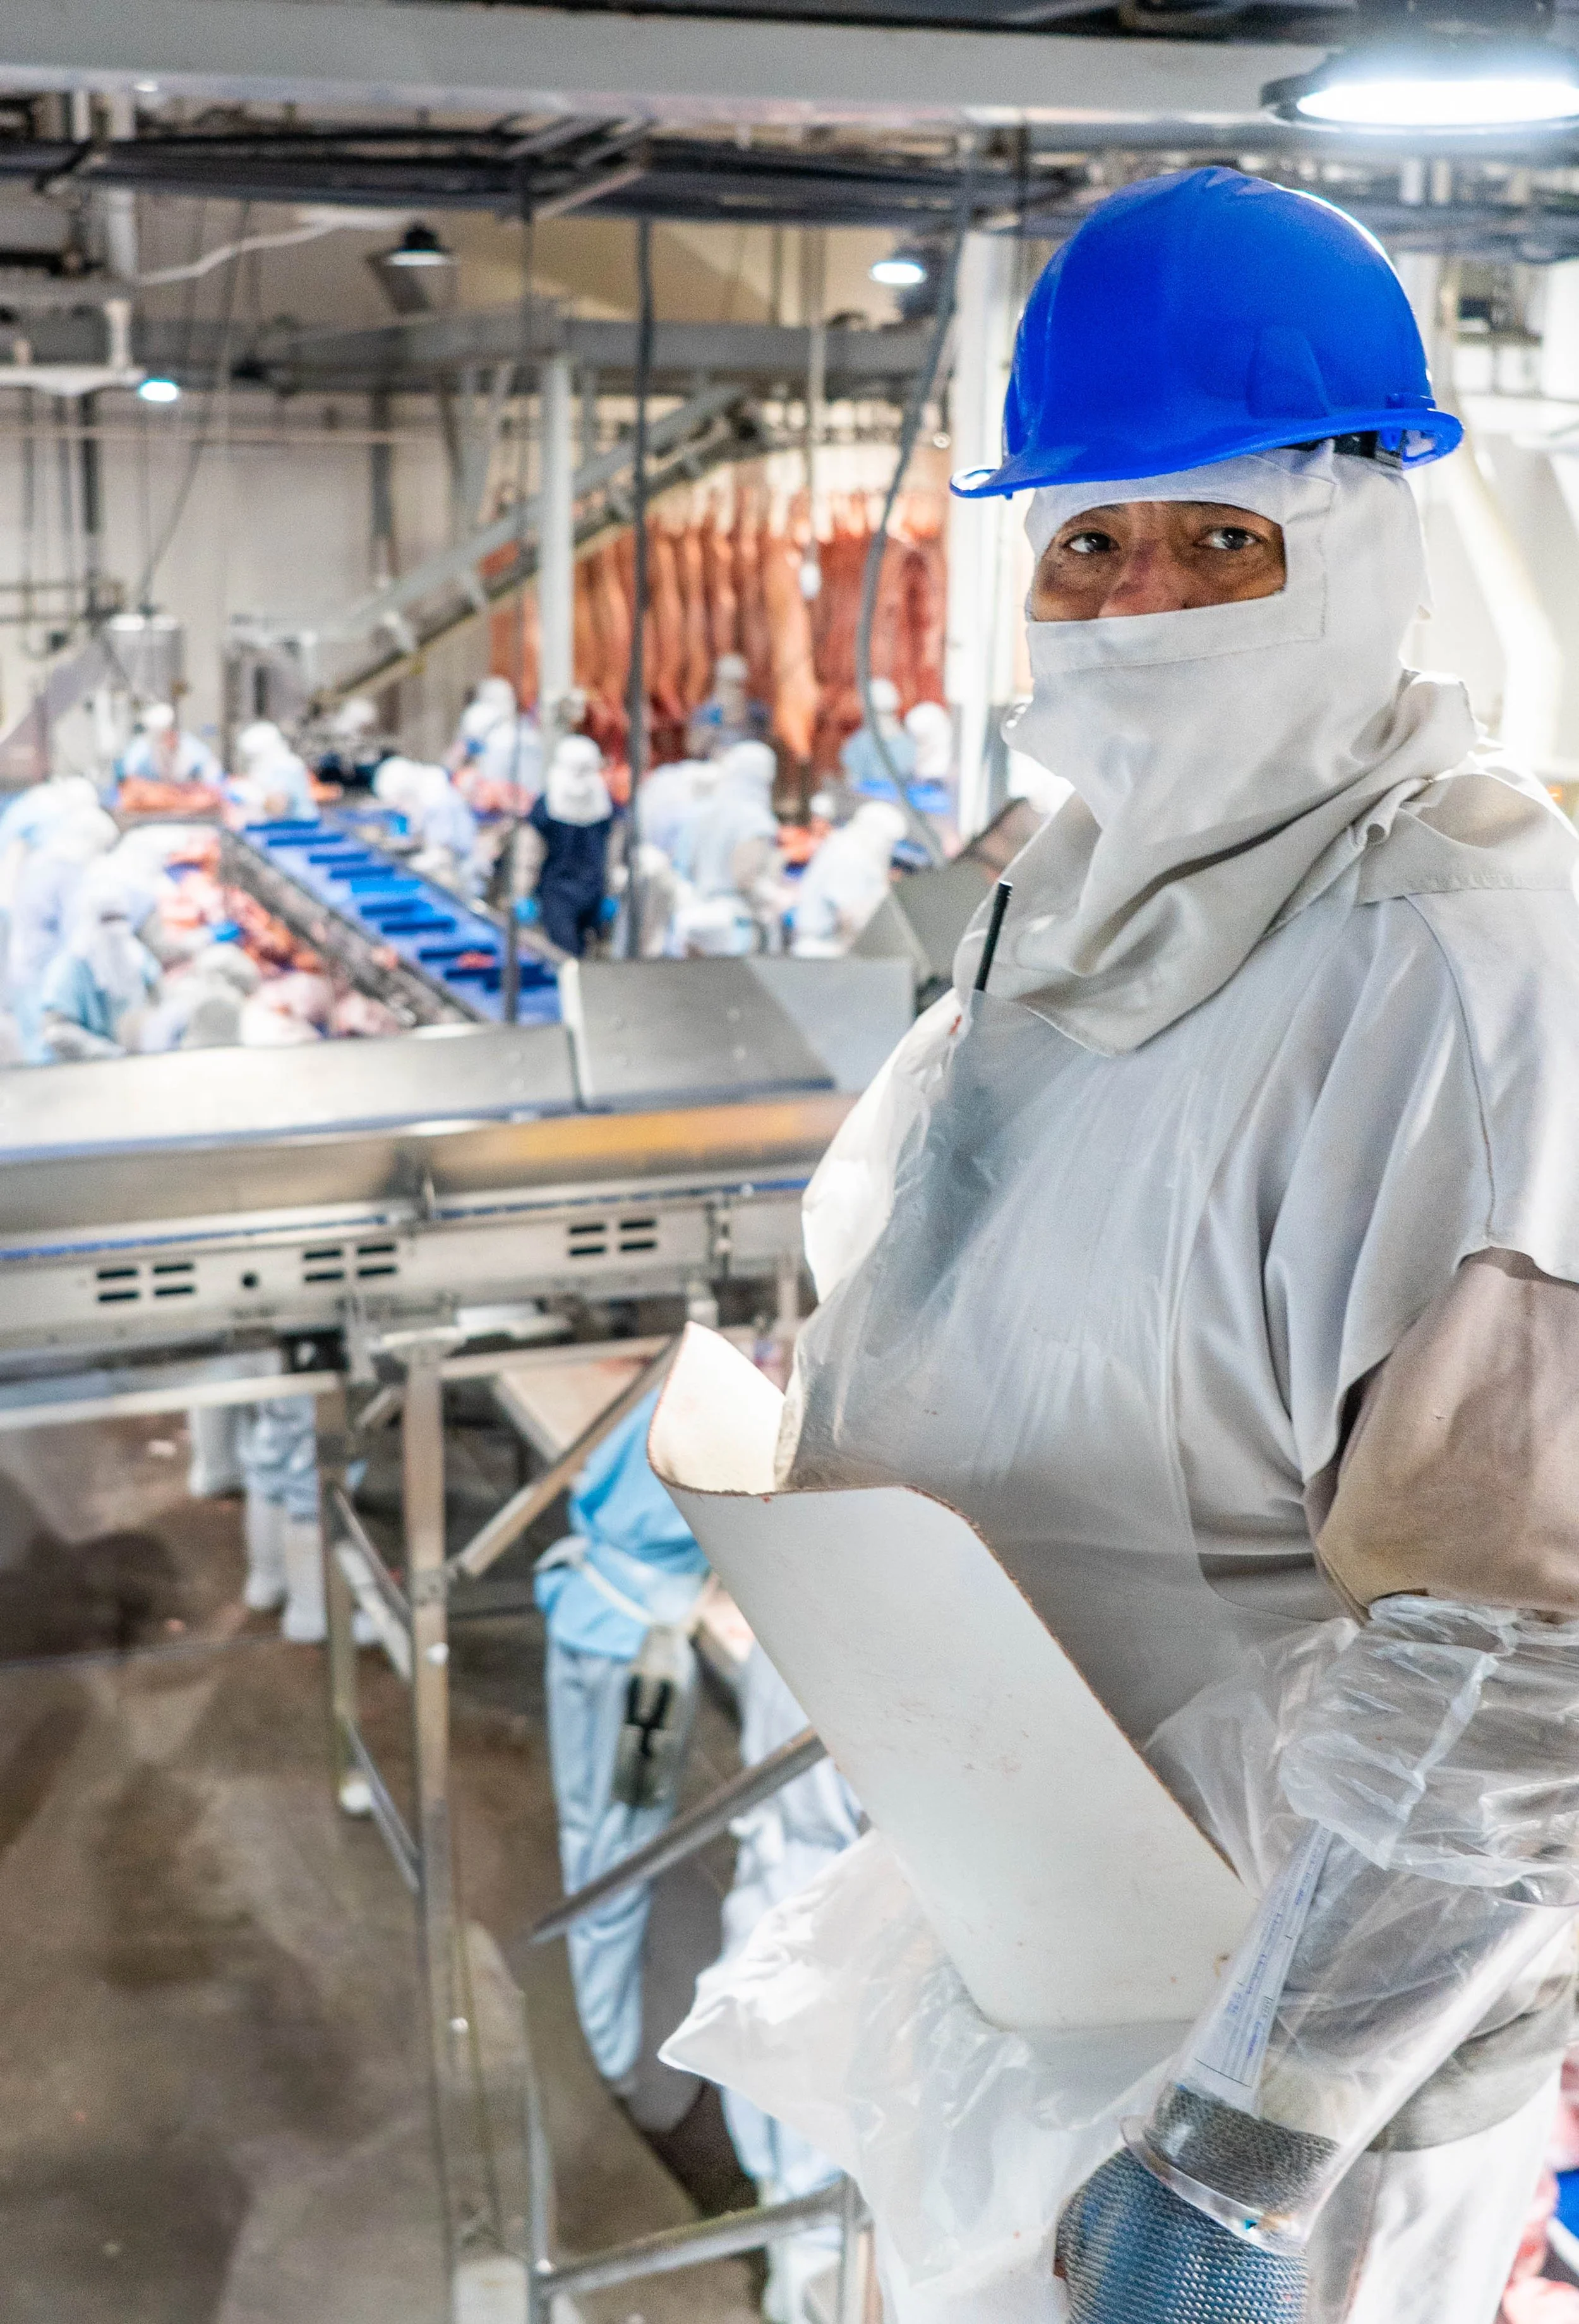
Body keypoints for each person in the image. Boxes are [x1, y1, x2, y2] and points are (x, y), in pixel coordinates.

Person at [777, 167, 1579, 2324]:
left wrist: (1239, 2150)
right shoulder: (1070, 882)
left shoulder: (1470, 964)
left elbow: (1524, 1639)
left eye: (1227, 541)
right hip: (1026, 1916)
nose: (1146, 610)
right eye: (1095, 544)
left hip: (1285, 2061)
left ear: (1368, 541)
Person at [534, 1386, 711, 2095]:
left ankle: (599, 2026)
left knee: (585, 1827)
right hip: (641, 1657)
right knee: (624, 1846)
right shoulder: (728, 1422)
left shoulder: (662, 1396)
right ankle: (610, 2050)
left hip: (579, 1615)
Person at [717, 1648, 863, 2324]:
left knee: (770, 2100)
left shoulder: (788, 1624)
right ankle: (795, 2275)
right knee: (811, 2129)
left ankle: (786, 2255)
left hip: (776, 1881)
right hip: (829, 1904)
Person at [29, 871, 162, 1062]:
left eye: (121, 919)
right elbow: (55, 1031)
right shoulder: (69, 968)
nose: (116, 928)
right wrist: (104, 1053)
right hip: (82, 1070)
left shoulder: (138, 959)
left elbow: (160, 1005)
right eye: (108, 919)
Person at [674, 739, 779, 956]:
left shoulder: (700, 811)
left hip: (693, 920)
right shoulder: (754, 818)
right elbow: (744, 877)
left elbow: (682, 864)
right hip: (733, 928)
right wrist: (778, 897)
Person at [520, 735, 615, 956]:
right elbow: (530, 854)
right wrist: (523, 893)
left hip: (582, 894)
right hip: (562, 896)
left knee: (579, 958)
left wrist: (611, 891)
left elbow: (611, 853)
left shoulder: (602, 805)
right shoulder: (548, 807)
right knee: (567, 958)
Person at [788, 799, 906, 958]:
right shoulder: (849, 854)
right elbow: (852, 912)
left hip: (831, 946)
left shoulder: (847, 848)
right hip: (821, 950)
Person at [838, 676, 917, 807]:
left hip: (872, 809)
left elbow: (852, 785)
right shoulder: (909, 743)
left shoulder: (859, 745)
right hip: (896, 810)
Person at [116, 702, 223, 790]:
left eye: (169, 734)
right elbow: (128, 783)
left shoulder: (194, 752)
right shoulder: (140, 753)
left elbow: (213, 783)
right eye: (160, 738)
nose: (166, 740)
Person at [229, 721, 318, 822]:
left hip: (301, 828)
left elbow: (278, 807)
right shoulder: (270, 767)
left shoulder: (286, 767)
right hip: (284, 828)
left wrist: (255, 797)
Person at [686, 652, 767, 760]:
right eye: (730, 684)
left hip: (746, 766)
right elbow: (694, 748)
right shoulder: (707, 712)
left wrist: (745, 720)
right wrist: (713, 726)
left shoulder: (755, 711)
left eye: (739, 685)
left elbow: (767, 742)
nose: (735, 691)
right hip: (715, 767)